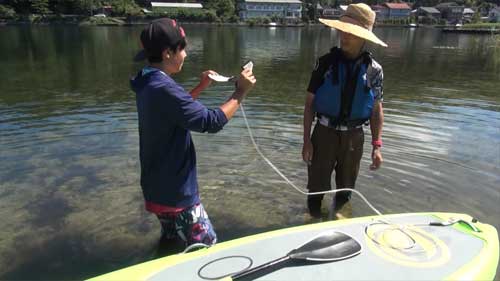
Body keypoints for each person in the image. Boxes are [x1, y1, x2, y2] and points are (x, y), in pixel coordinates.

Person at [130, 18, 256, 247]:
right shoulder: (164, 88)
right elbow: (211, 122)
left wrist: (201, 87)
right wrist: (240, 92)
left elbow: (175, 111)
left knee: (172, 244)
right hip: (177, 194)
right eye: (183, 49)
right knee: (206, 250)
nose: (186, 55)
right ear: (168, 53)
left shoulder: (147, 81)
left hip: (157, 188)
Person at [302, 3, 386, 219]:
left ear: (363, 37)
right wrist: (306, 141)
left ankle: (340, 225)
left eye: (351, 33)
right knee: (316, 188)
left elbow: (377, 109)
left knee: (345, 190)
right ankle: (312, 221)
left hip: (354, 136)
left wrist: (377, 146)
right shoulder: (325, 63)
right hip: (323, 132)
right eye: (343, 30)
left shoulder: (374, 70)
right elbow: (309, 102)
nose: (344, 36)